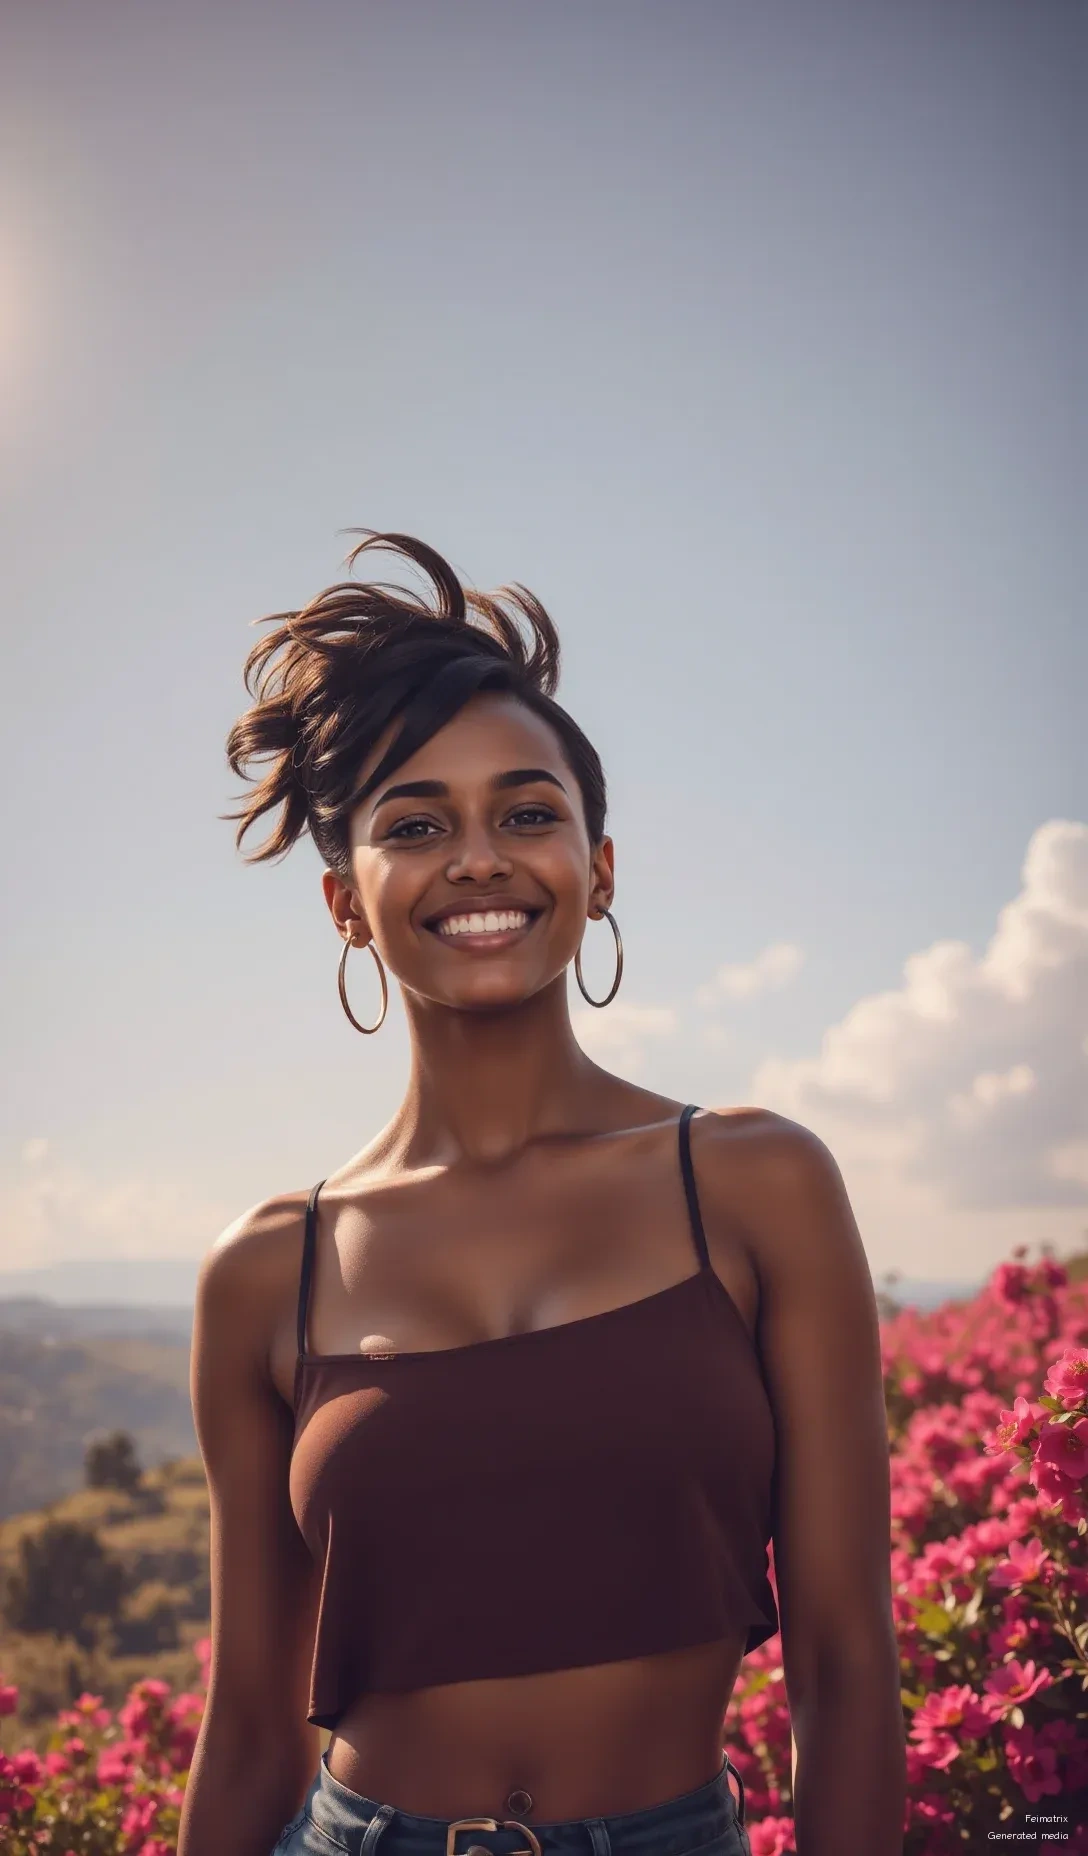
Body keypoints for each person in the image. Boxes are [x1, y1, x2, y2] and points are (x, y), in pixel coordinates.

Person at [178, 531, 906, 1856]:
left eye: (526, 812)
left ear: (599, 871)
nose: (477, 858)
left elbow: (849, 1672)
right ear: (347, 903)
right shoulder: (263, 1272)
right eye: (416, 825)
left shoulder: (754, 1186)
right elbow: (245, 1735)